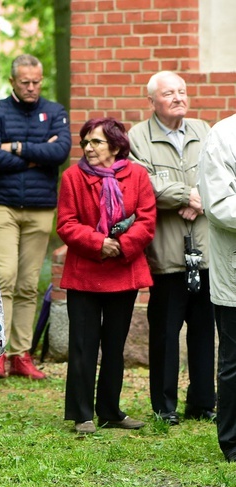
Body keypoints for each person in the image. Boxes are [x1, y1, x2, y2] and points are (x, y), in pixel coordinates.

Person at [57, 117, 156, 435]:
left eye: (95, 141)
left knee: (115, 345)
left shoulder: (137, 175)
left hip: (123, 271)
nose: (87, 147)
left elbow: (147, 219)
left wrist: (122, 245)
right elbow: (66, 223)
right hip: (85, 272)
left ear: (115, 145)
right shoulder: (72, 177)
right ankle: (82, 414)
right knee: (83, 345)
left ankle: (110, 410)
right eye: (85, 142)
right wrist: (101, 243)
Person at [0, 54, 71, 380]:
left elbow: (59, 153)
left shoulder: (55, 112)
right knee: (4, 277)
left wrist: (13, 147)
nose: (31, 88)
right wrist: (35, 154)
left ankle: (21, 354)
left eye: (36, 82)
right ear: (13, 82)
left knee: (29, 284)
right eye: (25, 82)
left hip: (41, 208)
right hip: (2, 206)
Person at [128, 71, 215, 426]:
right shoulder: (137, 137)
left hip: (207, 250)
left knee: (204, 331)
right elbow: (142, 185)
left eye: (182, 91)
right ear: (152, 101)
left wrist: (199, 199)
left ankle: (202, 403)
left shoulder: (203, 130)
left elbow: (219, 175)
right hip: (165, 254)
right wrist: (188, 194)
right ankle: (164, 407)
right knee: (165, 333)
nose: (179, 97)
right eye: (169, 93)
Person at [199, 114, 236, 461]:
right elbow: (219, 206)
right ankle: (233, 444)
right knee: (234, 362)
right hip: (235, 271)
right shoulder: (222, 136)